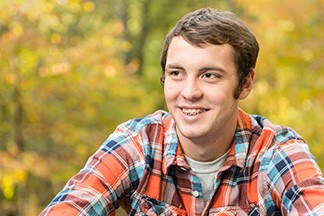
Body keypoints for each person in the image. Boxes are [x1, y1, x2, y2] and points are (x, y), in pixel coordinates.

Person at [40, 7, 324, 215]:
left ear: (245, 83)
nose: (189, 92)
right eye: (177, 73)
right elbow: (72, 206)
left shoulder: (276, 151)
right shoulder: (140, 142)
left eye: (209, 75)